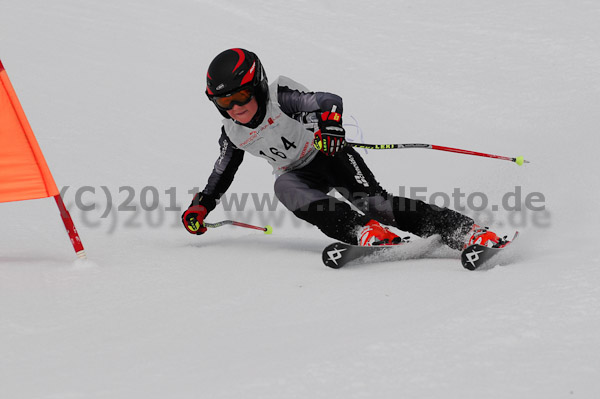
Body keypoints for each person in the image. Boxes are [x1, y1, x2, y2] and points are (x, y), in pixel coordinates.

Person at [182, 48, 506, 249]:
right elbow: (222, 172)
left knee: (377, 204)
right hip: (298, 175)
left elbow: (327, 101)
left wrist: (331, 128)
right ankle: (362, 232)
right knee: (283, 185)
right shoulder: (233, 132)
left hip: (328, 151)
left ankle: (467, 232)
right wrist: (202, 204)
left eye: (240, 97)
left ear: (257, 86)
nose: (235, 108)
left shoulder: (279, 96)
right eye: (224, 102)